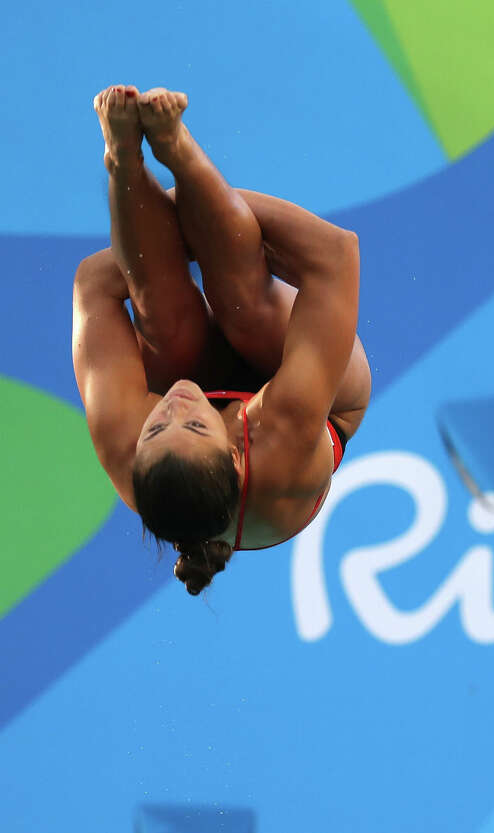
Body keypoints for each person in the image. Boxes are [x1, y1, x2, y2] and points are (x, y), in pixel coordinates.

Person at [71, 85, 371, 595]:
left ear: (137, 452)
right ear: (234, 451)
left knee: (163, 319)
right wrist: (197, 194)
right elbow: (336, 254)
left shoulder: (124, 444)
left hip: (219, 415)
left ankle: (121, 157)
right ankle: (178, 145)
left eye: (156, 424)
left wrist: (154, 214)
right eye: (190, 422)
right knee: (243, 304)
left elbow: (95, 282)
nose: (176, 402)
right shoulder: (284, 433)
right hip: (325, 407)